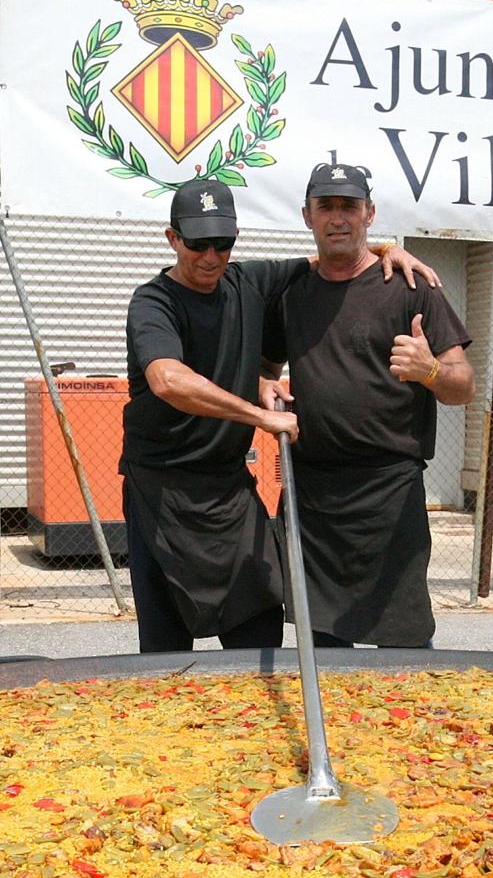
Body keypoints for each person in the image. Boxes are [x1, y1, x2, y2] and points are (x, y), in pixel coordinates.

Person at [122, 177, 436, 653]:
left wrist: (387, 247)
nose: (211, 257)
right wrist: (259, 416)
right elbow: (168, 380)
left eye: (222, 244)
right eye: (197, 244)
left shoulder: (248, 282)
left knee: (259, 624)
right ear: (173, 239)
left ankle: (253, 723)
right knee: (166, 645)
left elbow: (332, 259)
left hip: (228, 490)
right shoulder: (154, 303)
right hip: (162, 491)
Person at [264, 162, 475, 648]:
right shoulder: (290, 291)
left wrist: (431, 371)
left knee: (404, 646)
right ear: (307, 216)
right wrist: (263, 386)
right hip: (311, 497)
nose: (339, 218)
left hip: (389, 495)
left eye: (350, 207)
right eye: (327, 207)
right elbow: (263, 366)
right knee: (322, 651)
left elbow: (462, 385)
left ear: (370, 213)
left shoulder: (410, 286)